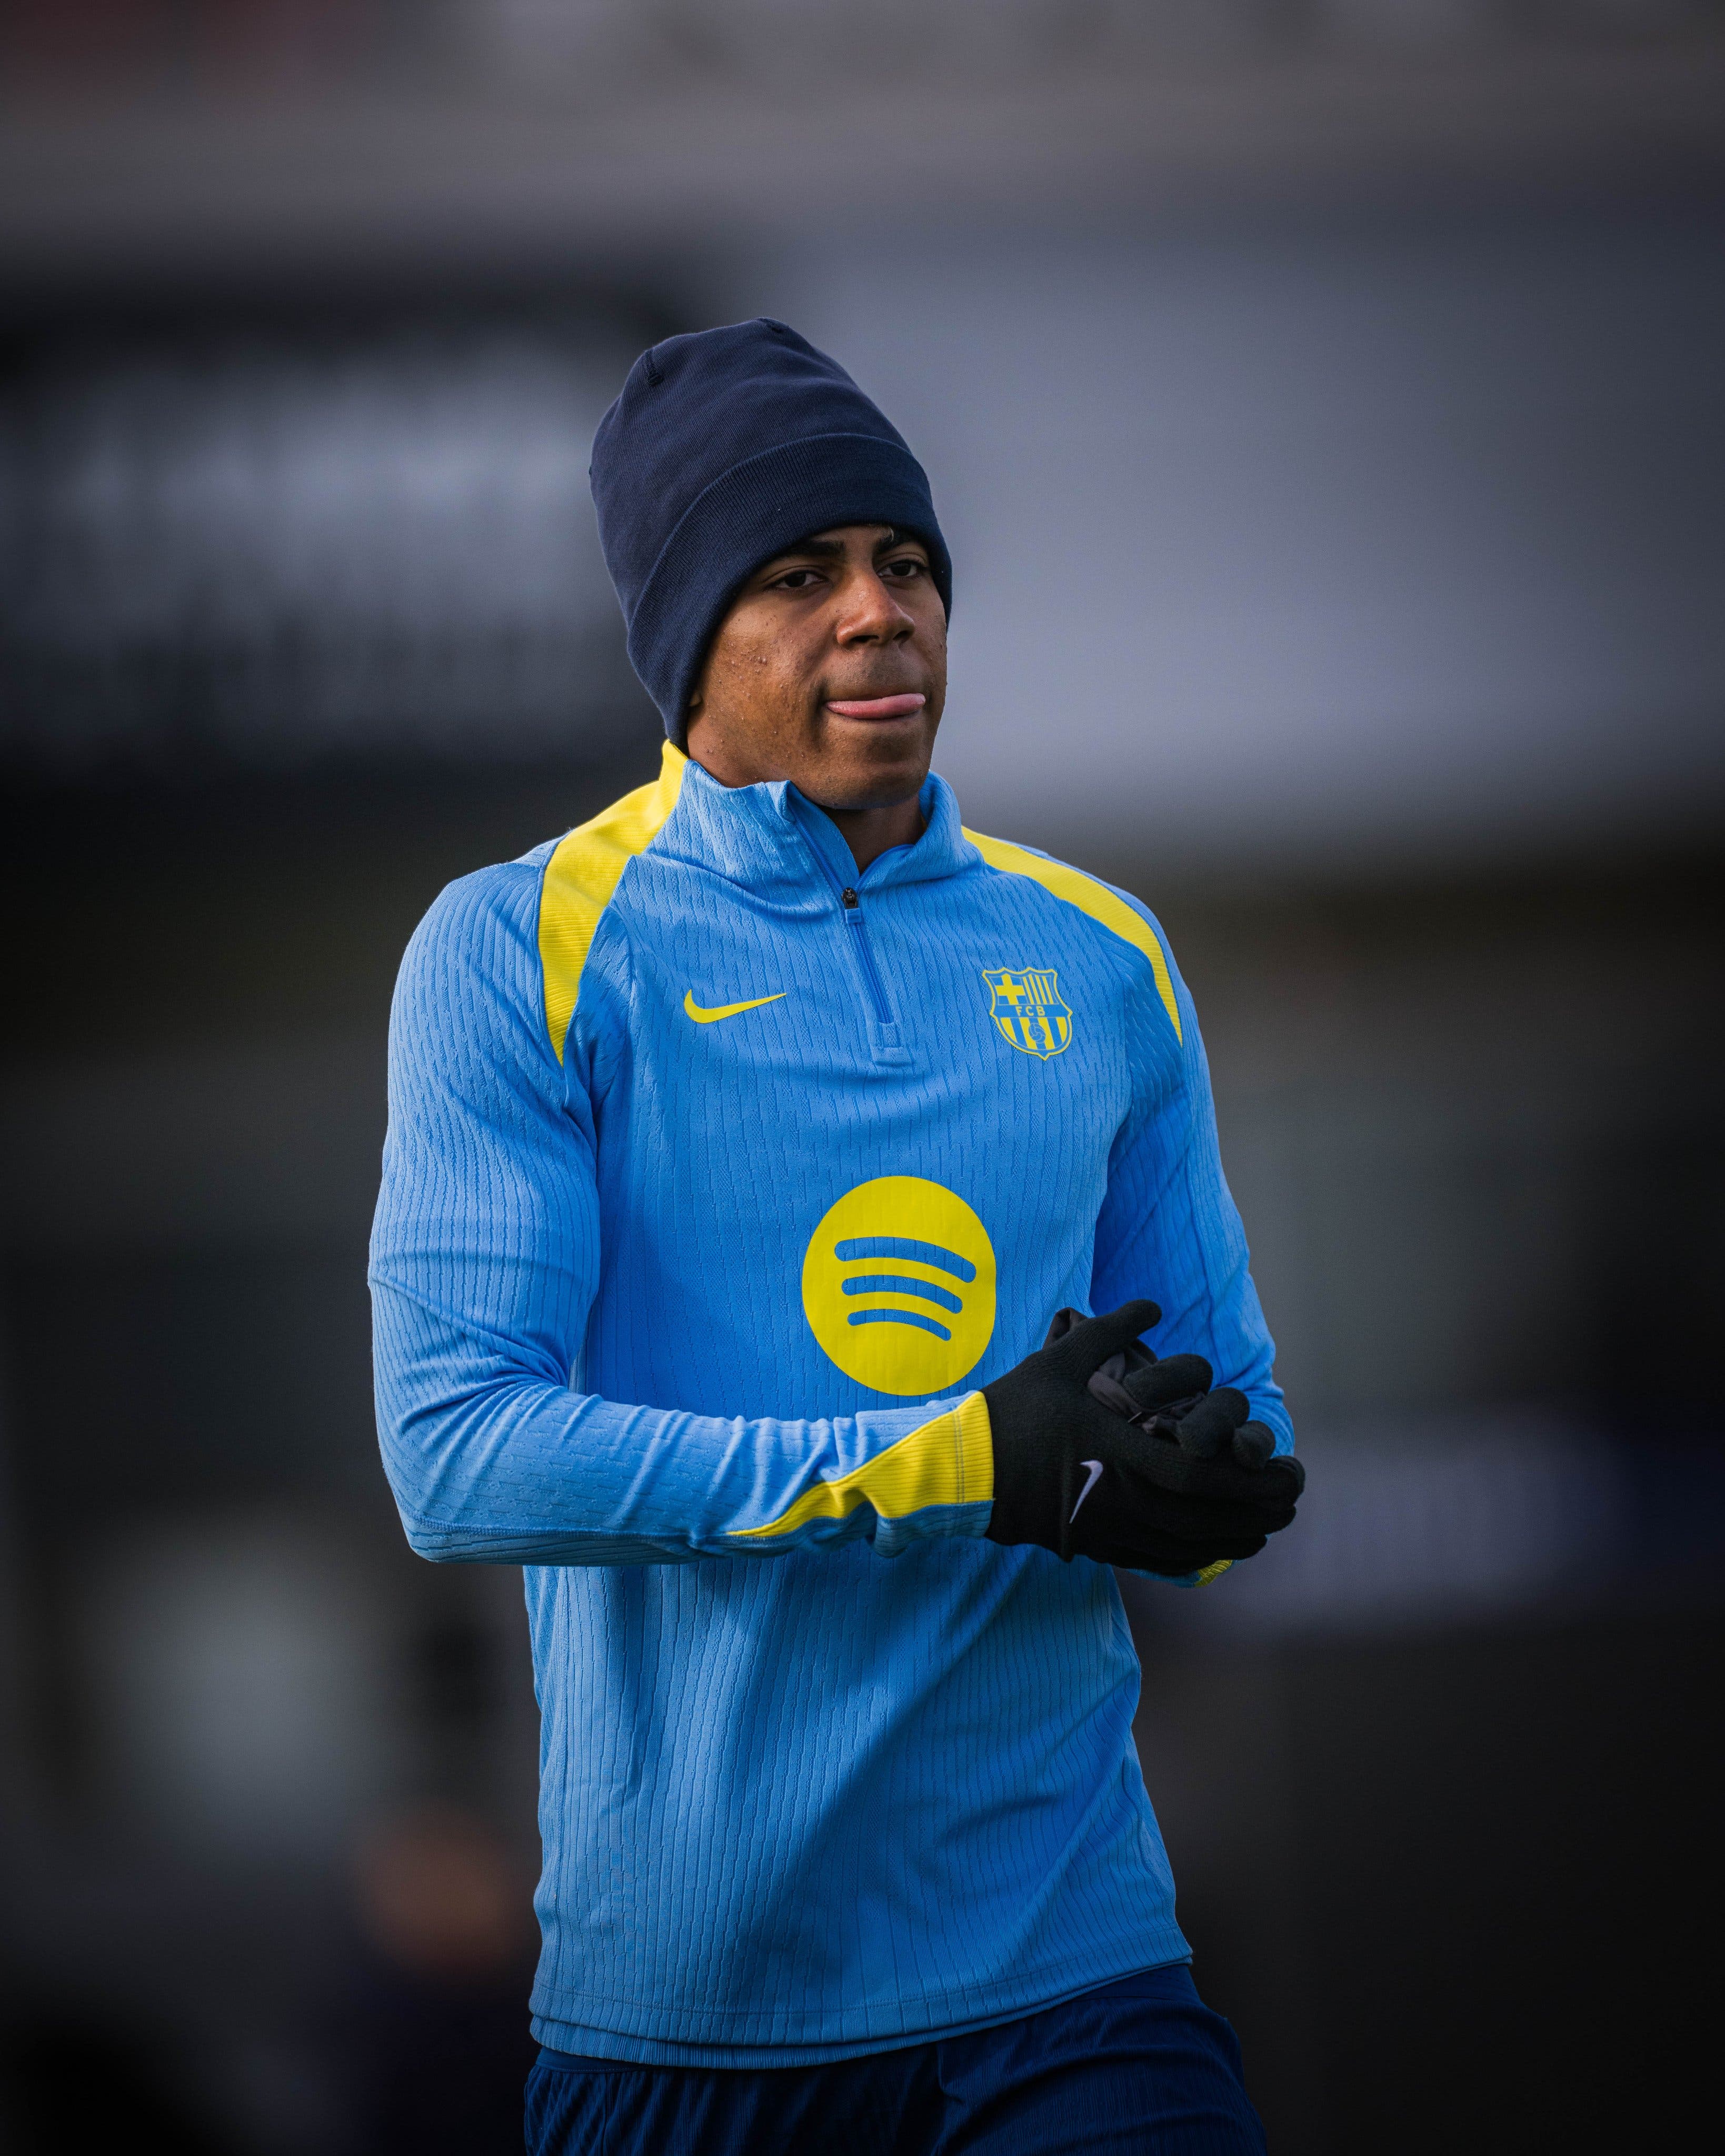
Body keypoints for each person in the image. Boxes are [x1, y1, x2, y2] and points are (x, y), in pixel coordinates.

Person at [370, 320, 1304, 2154]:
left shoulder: (1099, 955)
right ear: (682, 644)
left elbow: (1223, 1418)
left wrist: (1199, 1491)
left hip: (1073, 1982)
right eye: (797, 576)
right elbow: (455, 1454)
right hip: (690, 2029)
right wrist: (960, 1462)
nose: (878, 614)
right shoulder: (519, 949)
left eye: (906, 565)